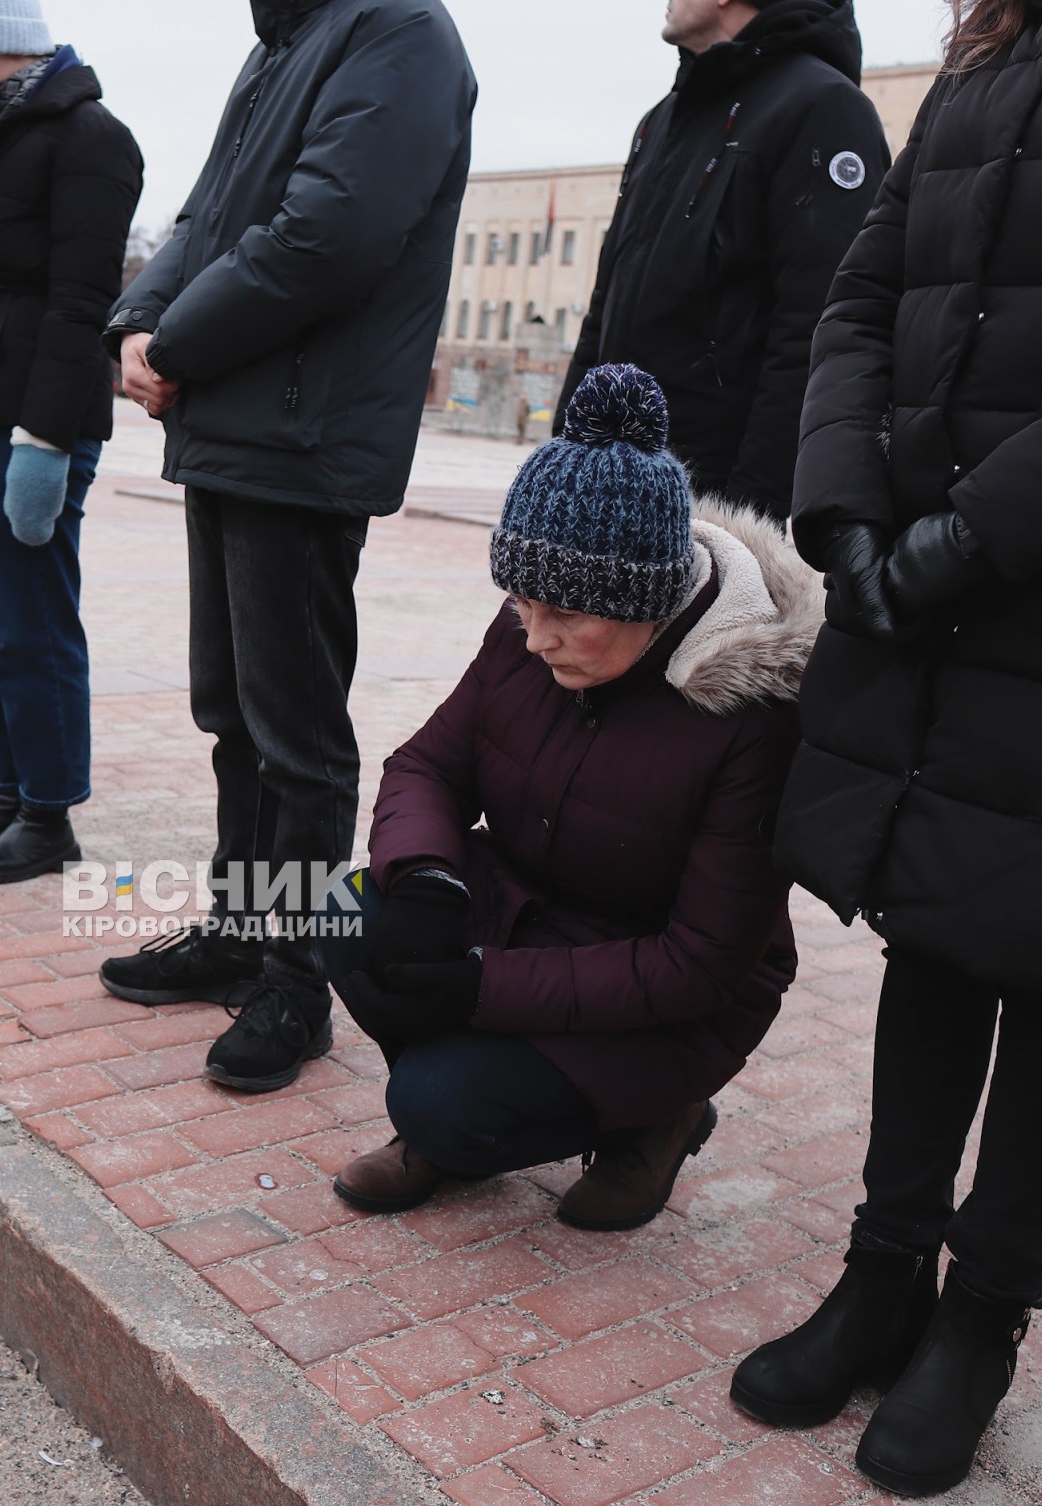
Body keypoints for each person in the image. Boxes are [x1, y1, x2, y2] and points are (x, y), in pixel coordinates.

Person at [731, 0, 1042, 1495]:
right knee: (934, 923)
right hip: (925, 577)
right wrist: (852, 510)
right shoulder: (992, 55)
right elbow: (866, 293)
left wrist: (977, 534)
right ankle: (883, 1275)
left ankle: (983, 1316)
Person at [320, 366, 816, 1224]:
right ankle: (459, 1107)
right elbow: (426, 766)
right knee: (341, 911)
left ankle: (654, 1121)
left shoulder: (750, 718)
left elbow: (698, 964)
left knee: (444, 1103)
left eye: (564, 615)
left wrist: (476, 987)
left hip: (667, 994)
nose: (534, 634)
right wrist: (429, 878)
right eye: (520, 602)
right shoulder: (532, 627)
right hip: (524, 911)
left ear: (648, 602)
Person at [97, 0, 477, 1094]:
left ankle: (296, 981)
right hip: (230, 424)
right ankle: (238, 930)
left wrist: (174, 342)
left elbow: (330, 234)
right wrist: (135, 325)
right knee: (232, 713)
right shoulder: (282, 45)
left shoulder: (397, 32)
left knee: (295, 732)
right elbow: (202, 217)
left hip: (302, 430)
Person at [0, 0, 143, 885]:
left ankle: (49, 814)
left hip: (32, 420)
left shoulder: (90, 137)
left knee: (26, 624)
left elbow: (82, 301)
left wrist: (45, 436)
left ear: (10, 42)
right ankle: (9, 791)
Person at [557, 0, 889, 520]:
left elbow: (816, 332)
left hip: (710, 501)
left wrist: (744, 520)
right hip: (610, 489)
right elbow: (605, 308)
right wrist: (564, 457)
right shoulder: (659, 122)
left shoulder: (823, 107)